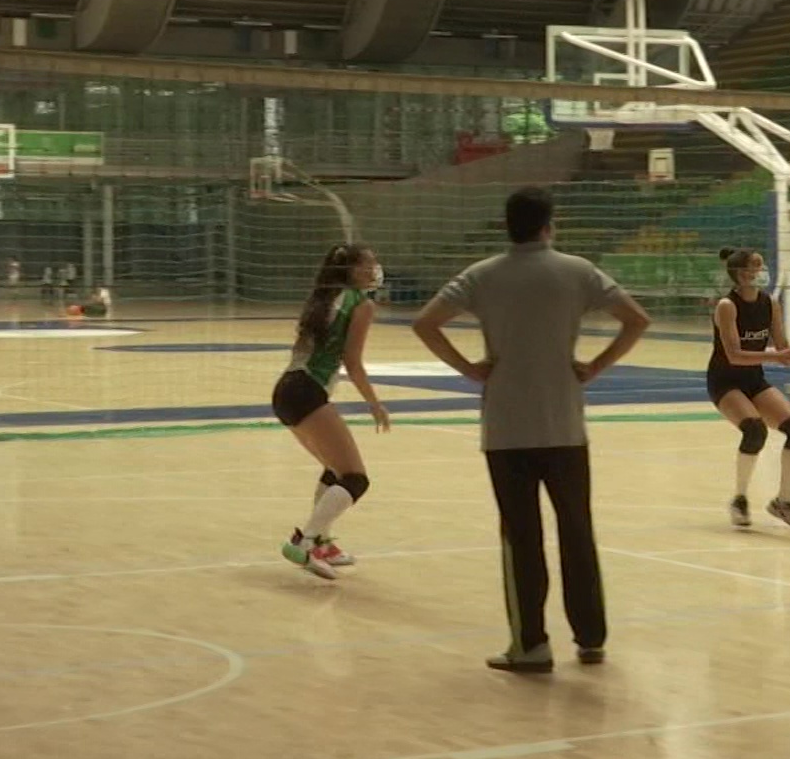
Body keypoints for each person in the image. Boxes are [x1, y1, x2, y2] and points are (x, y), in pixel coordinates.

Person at [412, 187, 651, 674]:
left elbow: (426, 323)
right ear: (550, 224)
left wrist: (469, 368)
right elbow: (636, 320)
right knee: (577, 532)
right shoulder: (578, 271)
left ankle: (532, 645)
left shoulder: (481, 276)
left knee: (521, 537)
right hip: (564, 423)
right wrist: (596, 366)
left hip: (506, 428)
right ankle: (591, 639)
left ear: (508, 226)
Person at [270, 243, 390, 579]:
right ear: (351, 270)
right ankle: (305, 543)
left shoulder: (322, 297)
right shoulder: (361, 304)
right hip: (307, 391)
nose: (375, 268)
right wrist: (375, 404)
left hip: (286, 389)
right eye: (369, 263)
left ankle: (320, 540)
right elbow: (353, 364)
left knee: (335, 470)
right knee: (355, 478)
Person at [707, 247, 790, 530]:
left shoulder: (770, 304)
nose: (760, 271)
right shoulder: (727, 306)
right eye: (755, 266)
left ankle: (784, 501)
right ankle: (739, 499)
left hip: (753, 378)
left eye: (761, 265)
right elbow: (734, 355)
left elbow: (783, 348)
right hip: (725, 380)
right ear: (741, 273)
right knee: (754, 429)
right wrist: (775, 357)